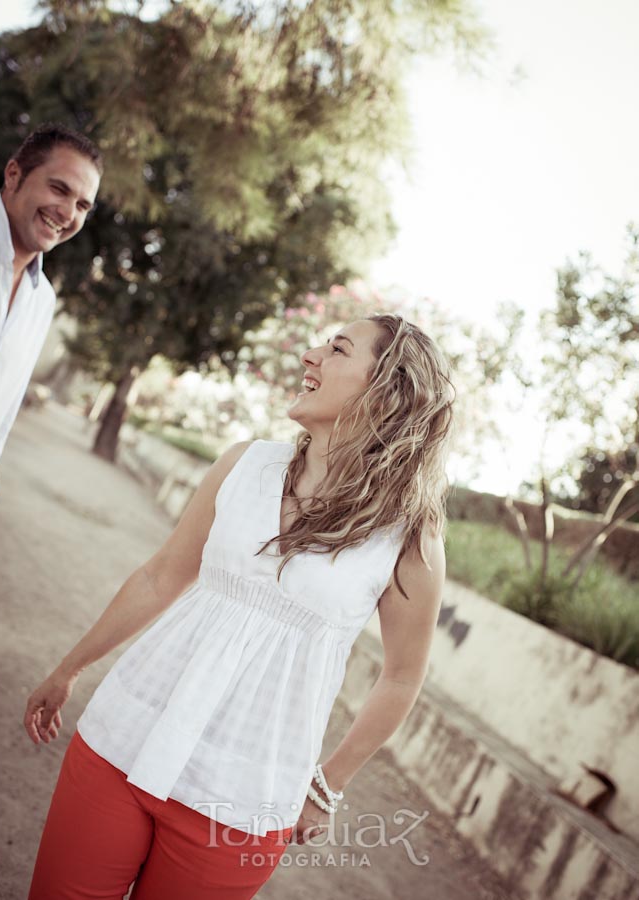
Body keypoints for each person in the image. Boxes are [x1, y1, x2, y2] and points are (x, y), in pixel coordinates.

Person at [24, 314, 455, 900]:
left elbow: (403, 675)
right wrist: (69, 667)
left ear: (387, 391)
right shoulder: (244, 464)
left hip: (245, 795)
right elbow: (161, 576)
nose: (309, 355)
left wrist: (326, 785)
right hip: (125, 732)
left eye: (336, 349)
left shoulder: (409, 537)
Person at [0, 123, 102, 507]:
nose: (68, 213)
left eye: (82, 205)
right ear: (14, 174)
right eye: (59, 188)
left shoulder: (43, 300)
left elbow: (2, 407)